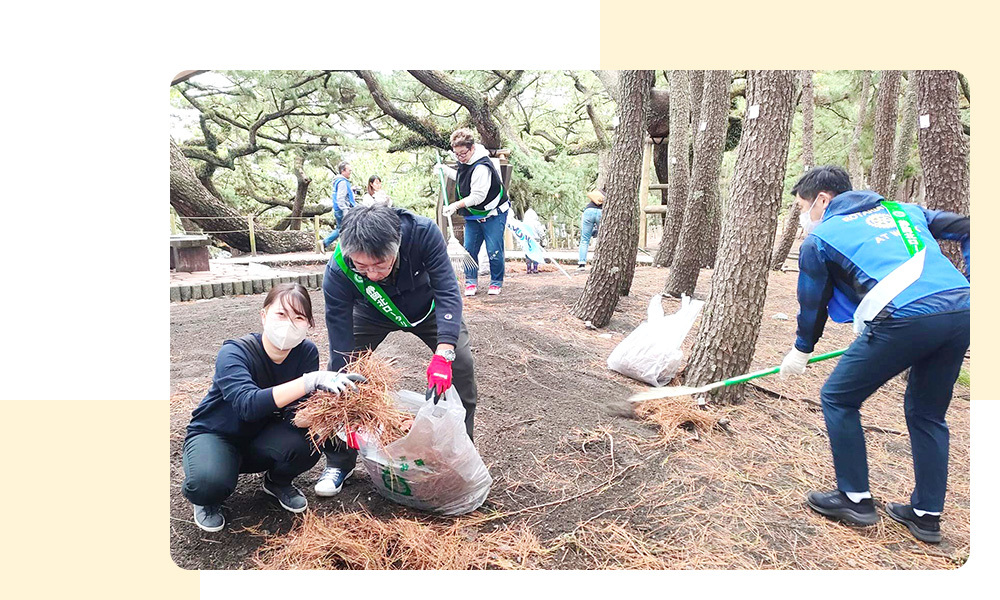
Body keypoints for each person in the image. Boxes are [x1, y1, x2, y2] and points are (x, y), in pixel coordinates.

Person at [778, 165, 970, 544]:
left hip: (906, 318)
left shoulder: (822, 239)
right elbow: (971, 226)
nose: (803, 218)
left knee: (838, 397)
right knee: (928, 413)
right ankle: (926, 516)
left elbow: (812, 303)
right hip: (962, 311)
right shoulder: (904, 210)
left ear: (823, 200)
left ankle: (854, 499)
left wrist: (801, 351)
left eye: (803, 207)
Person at [314, 204, 480, 497]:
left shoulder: (422, 232)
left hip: (426, 307)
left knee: (462, 364)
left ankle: (461, 451)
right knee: (340, 376)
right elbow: (339, 335)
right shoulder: (339, 270)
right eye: (362, 267)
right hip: (371, 312)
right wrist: (343, 374)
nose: (373, 274)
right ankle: (340, 461)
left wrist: (444, 353)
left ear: (397, 246)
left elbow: (446, 289)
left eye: (380, 265)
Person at [181, 283, 364, 532]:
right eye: (281, 314)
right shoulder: (235, 352)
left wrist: (330, 413)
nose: (289, 323)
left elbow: (294, 414)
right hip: (217, 434)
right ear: (263, 315)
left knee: (309, 441)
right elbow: (248, 405)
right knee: (207, 483)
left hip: (260, 437)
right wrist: (308, 381)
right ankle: (207, 499)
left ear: (308, 324)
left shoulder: (305, 352)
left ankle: (277, 481)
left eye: (299, 317)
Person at [434, 128, 511, 296]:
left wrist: (455, 206)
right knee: (469, 249)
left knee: (494, 250)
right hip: (473, 215)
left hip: (493, 213)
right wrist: (445, 170)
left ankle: (496, 281)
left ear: (472, 148)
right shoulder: (464, 162)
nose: (460, 157)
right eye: (456, 154)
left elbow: (477, 196)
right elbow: (463, 179)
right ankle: (470, 281)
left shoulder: (482, 166)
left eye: (463, 153)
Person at [323, 161, 356, 250]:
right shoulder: (342, 182)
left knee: (341, 229)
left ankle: (325, 243)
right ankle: (325, 243)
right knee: (345, 229)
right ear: (343, 171)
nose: (350, 172)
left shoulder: (339, 181)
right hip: (342, 210)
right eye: (349, 170)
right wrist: (345, 211)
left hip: (339, 210)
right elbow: (340, 198)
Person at [578, 189, 603, 272]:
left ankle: (581, 263)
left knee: (584, 239)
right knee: (602, 238)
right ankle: (600, 262)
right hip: (601, 212)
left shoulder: (598, 192)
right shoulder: (610, 194)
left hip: (588, 211)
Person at [521, 205, 546, 274]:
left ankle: (528, 268)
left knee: (528, 254)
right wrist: (543, 237)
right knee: (536, 254)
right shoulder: (536, 223)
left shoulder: (524, 223)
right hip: (535, 240)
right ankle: (535, 268)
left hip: (526, 241)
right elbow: (540, 231)